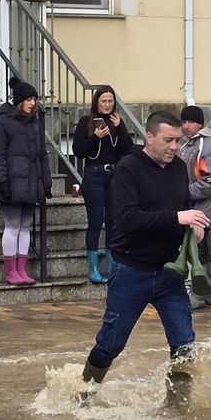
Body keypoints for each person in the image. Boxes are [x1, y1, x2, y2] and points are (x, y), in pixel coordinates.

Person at [77, 110, 211, 409]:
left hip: (169, 273)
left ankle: (177, 409)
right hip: (130, 270)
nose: (175, 147)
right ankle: (84, 397)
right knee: (110, 344)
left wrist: (193, 230)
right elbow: (127, 219)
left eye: (178, 140)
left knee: (184, 344)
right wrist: (177, 218)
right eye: (168, 140)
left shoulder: (179, 168)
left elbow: (184, 208)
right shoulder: (128, 169)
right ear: (149, 137)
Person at [0, 77, 53, 286]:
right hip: (11, 182)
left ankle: (21, 269)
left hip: (30, 182)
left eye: (34, 99)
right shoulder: (3, 123)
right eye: (28, 99)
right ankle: (10, 270)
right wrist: (2, 181)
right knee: (13, 225)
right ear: (19, 101)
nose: (33, 103)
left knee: (25, 226)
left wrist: (46, 181)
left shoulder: (34, 123)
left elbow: (42, 154)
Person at [70, 85, 134, 283]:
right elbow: (78, 150)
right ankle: (93, 267)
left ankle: (111, 263)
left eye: (110, 101)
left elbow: (128, 149)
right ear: (96, 102)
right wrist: (94, 137)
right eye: (104, 101)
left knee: (113, 221)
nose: (107, 105)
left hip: (114, 176)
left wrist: (121, 127)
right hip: (94, 175)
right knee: (96, 221)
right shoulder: (86, 122)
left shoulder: (117, 122)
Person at [177, 105, 211, 307]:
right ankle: (203, 294)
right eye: (184, 121)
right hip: (189, 209)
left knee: (200, 252)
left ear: (200, 123)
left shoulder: (208, 145)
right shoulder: (186, 145)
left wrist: (185, 194)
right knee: (192, 251)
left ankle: (202, 294)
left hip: (202, 210)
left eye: (191, 122)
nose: (186, 126)